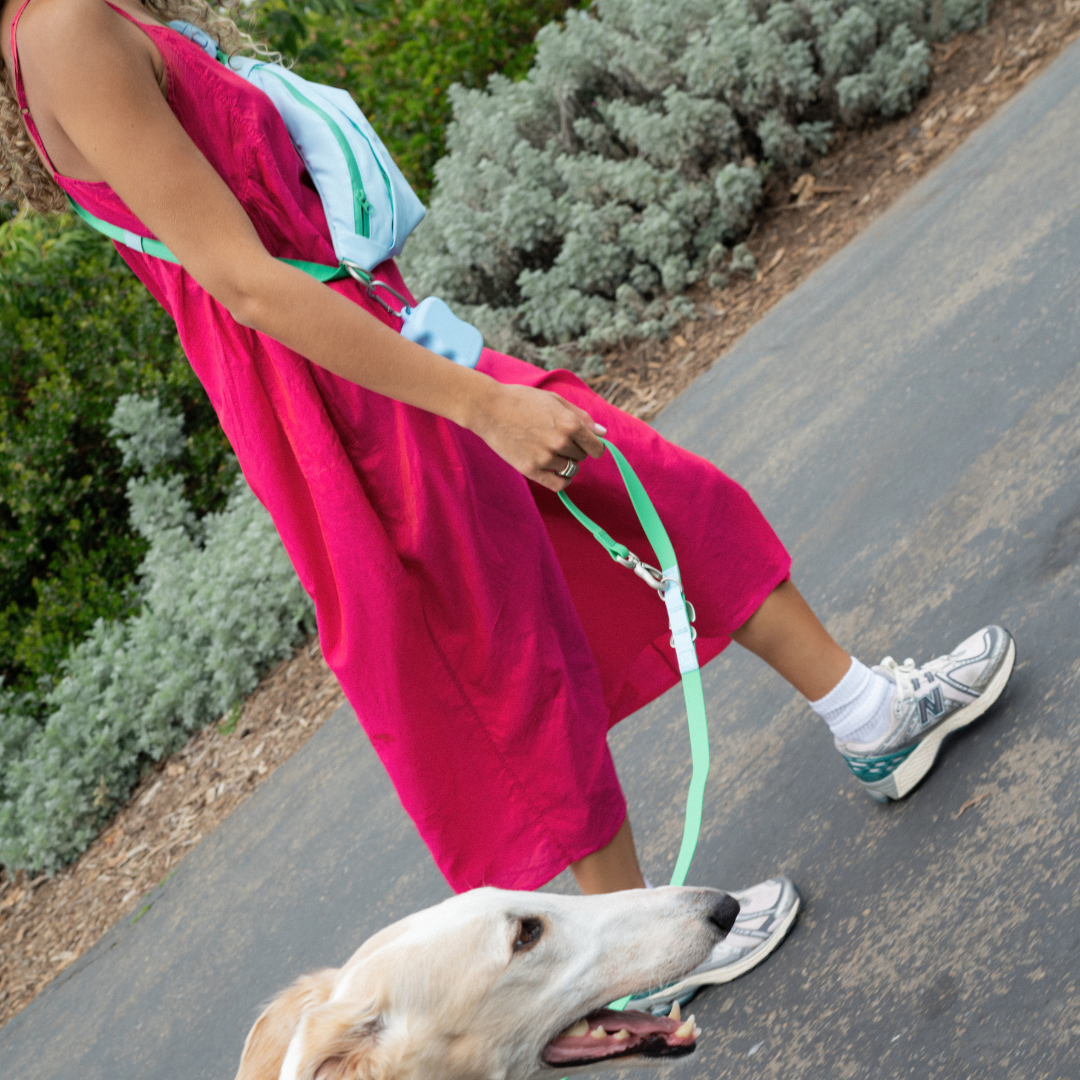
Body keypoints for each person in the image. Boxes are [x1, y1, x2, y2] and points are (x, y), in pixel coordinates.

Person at [0, 0, 1015, 1010]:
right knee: (503, 651)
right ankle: (636, 955)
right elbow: (245, 285)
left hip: (374, 344)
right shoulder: (63, 30)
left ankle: (871, 716)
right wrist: (481, 406)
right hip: (342, 399)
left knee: (640, 491)